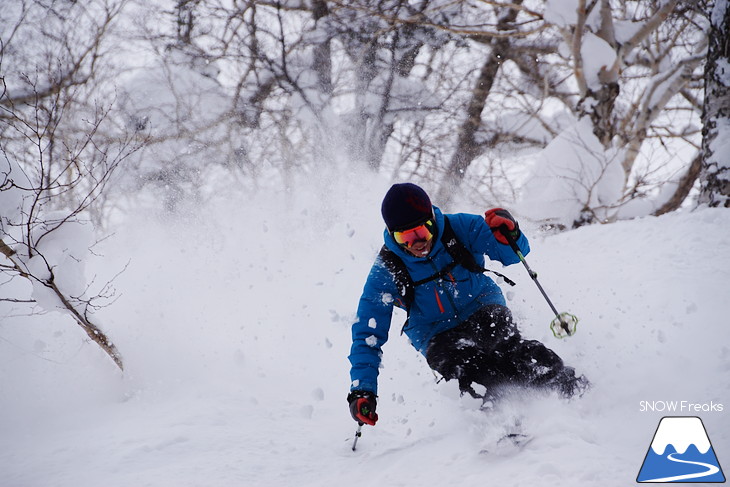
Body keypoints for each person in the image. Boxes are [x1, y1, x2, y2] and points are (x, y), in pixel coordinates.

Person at [347, 183, 588, 426]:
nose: (417, 243)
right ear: (392, 235)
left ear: (432, 219)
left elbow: (514, 254)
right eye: (405, 238)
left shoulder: (459, 227)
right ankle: (501, 424)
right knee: (474, 371)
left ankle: (577, 393)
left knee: (516, 355)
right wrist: (362, 390)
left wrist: (510, 234)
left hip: (482, 306)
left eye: (422, 232)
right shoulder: (387, 269)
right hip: (435, 334)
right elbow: (368, 333)